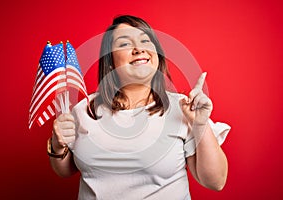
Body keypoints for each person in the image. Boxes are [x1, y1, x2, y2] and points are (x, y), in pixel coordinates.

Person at [48, 15, 231, 200]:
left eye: (145, 40)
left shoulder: (183, 108)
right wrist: (57, 145)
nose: (138, 49)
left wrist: (200, 124)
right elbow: (65, 170)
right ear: (110, 60)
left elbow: (216, 181)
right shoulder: (84, 110)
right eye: (124, 43)